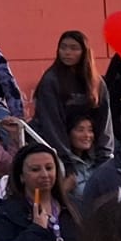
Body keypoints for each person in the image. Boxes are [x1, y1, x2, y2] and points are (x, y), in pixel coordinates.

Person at [32, 30, 111, 158]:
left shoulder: (96, 82)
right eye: (63, 47)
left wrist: (104, 155)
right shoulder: (51, 80)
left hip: (90, 152)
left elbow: (105, 121)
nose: (67, 52)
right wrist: (66, 159)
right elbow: (52, 124)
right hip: (58, 152)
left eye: (74, 48)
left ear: (84, 52)